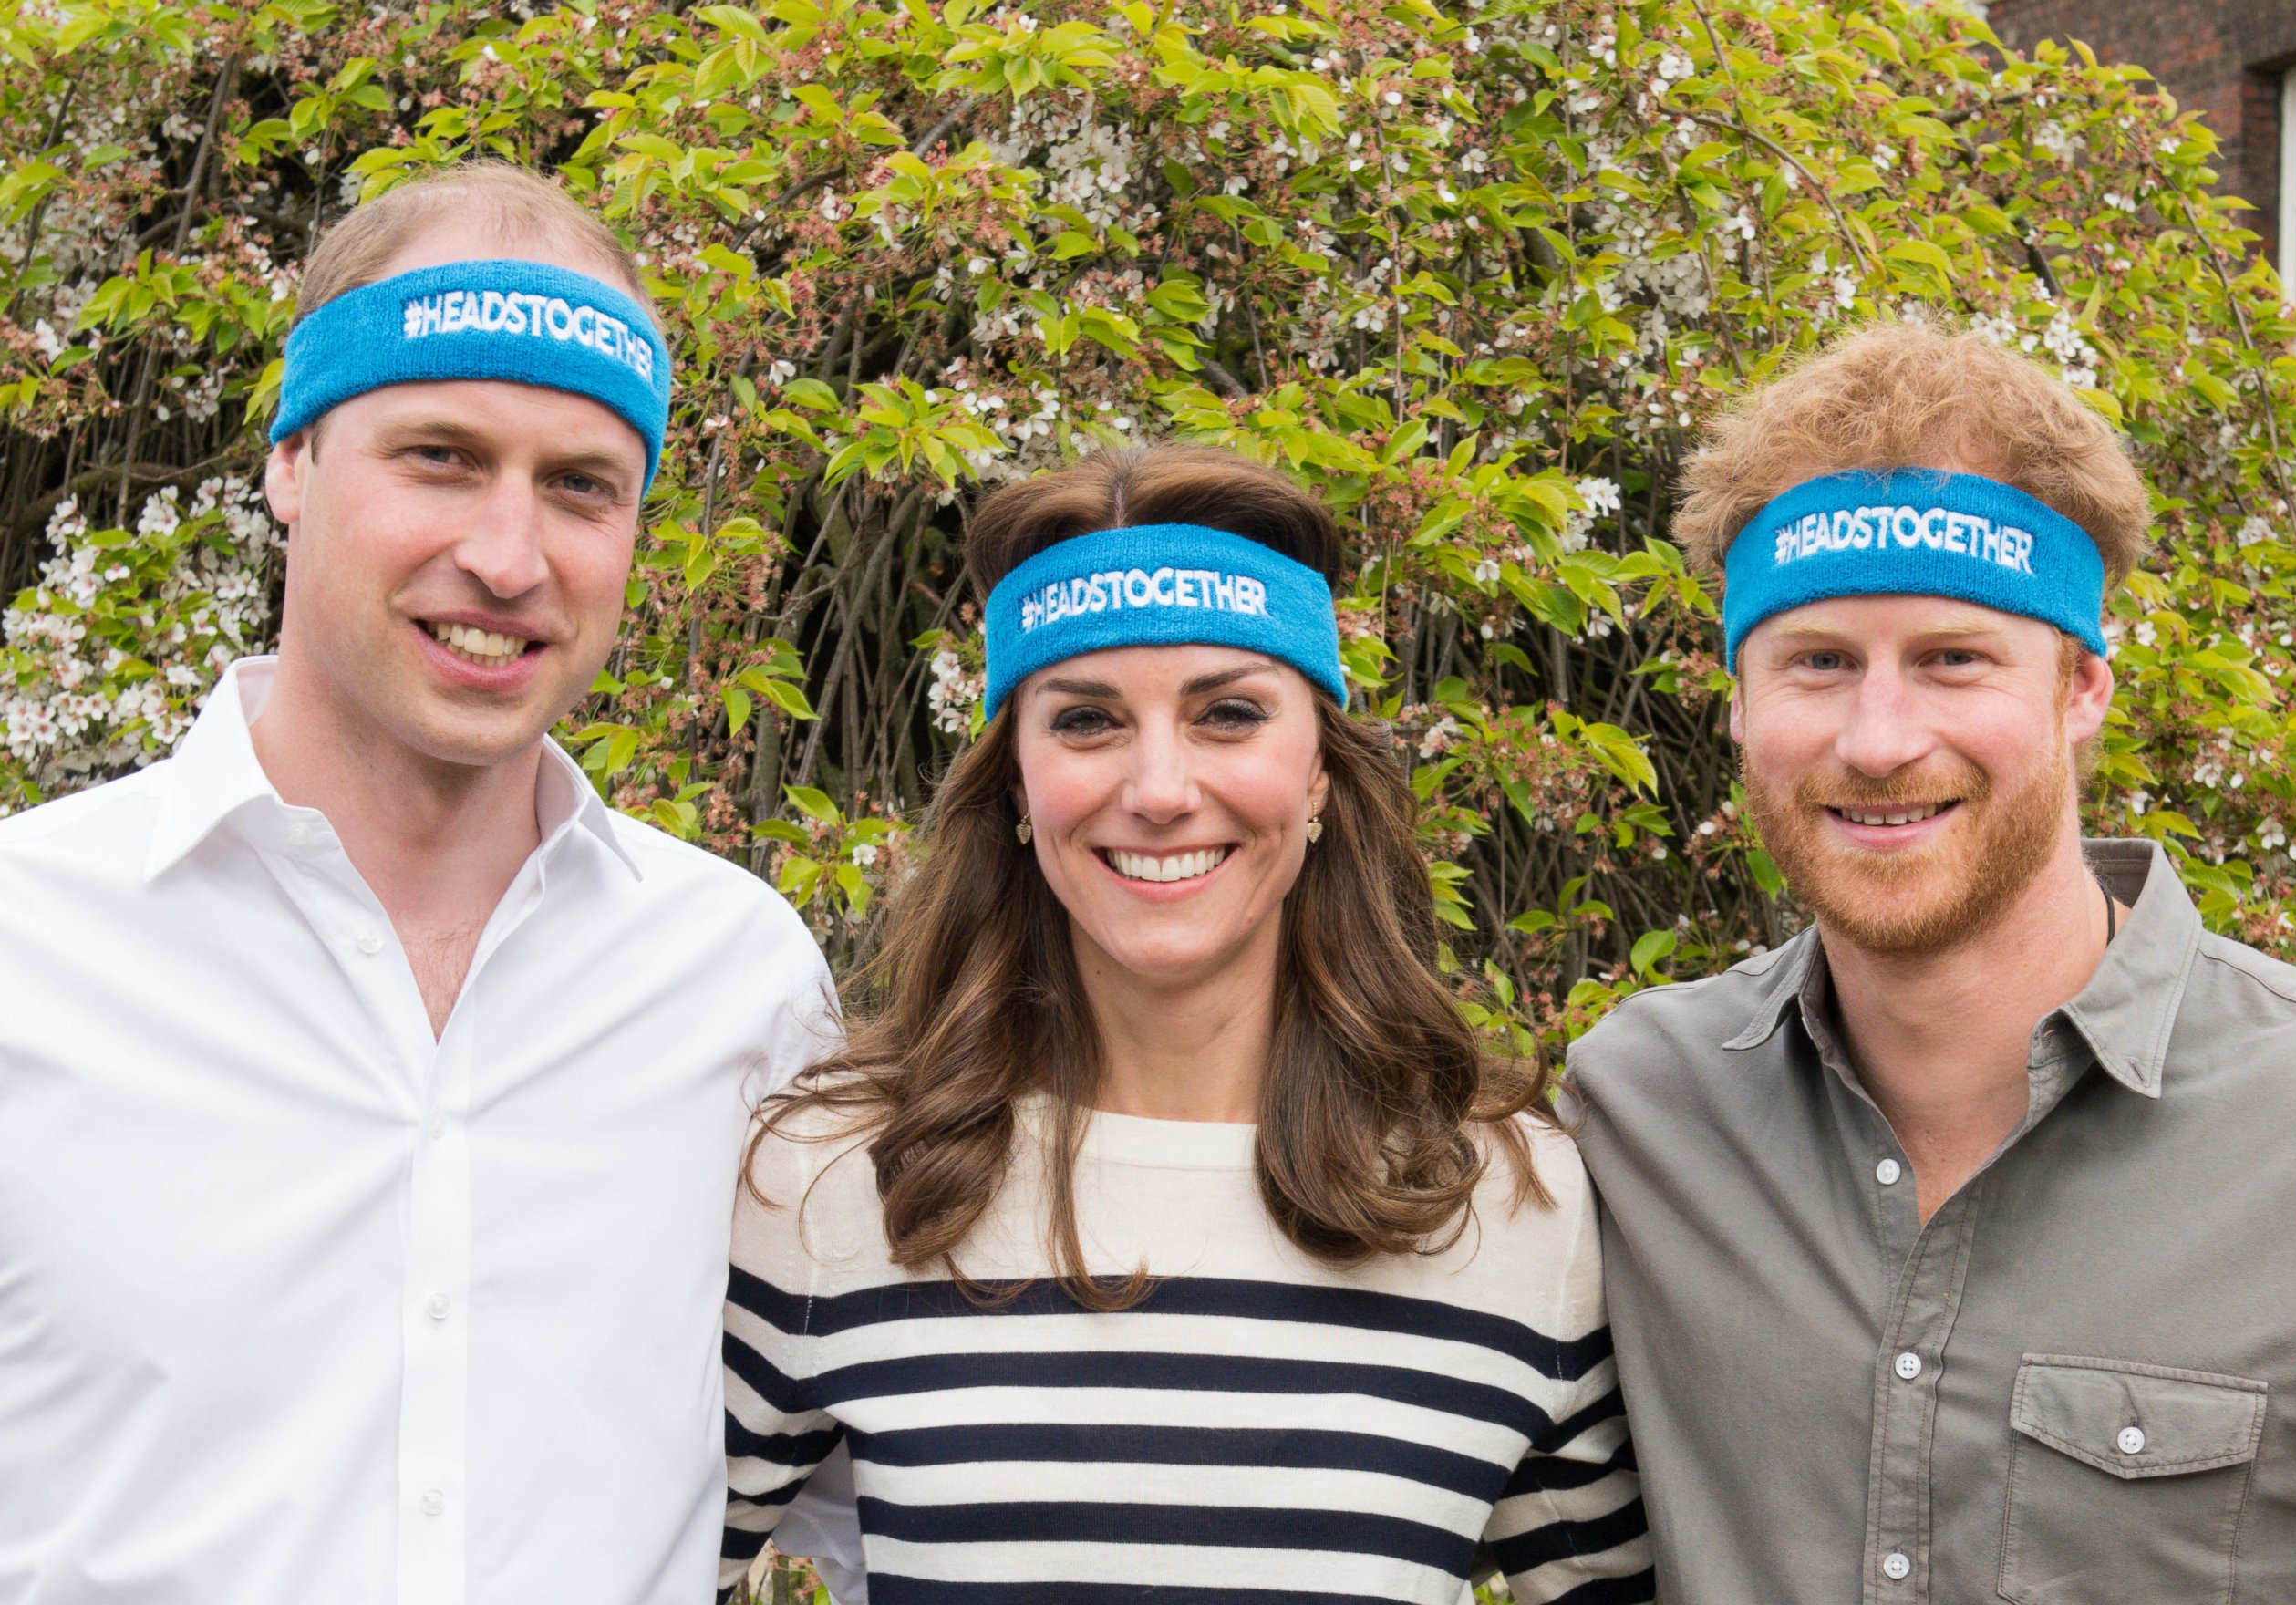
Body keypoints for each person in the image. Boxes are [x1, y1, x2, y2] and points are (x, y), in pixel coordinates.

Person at [0, 162, 833, 1603]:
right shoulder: (29, 944)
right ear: (289, 464)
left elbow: (901, 1489)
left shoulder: (741, 984)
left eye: (580, 487)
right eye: (440, 456)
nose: (507, 557)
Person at [717, 445, 1655, 1604]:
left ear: (1317, 775)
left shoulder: (1509, 1200)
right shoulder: (836, 1183)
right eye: (1088, 719)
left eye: (1228, 714)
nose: (1159, 788)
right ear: (1015, 780)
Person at [1567, 321, 2296, 1602]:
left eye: (1954, 660)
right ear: (1736, 702)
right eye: (1818, 662)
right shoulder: (1637, 1110)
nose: (1880, 740)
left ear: (2082, 688)